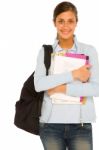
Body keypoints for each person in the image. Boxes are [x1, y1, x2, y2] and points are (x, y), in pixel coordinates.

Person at [34, 1, 99, 150]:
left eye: (70, 21)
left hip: (80, 126)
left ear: (76, 22)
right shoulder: (45, 52)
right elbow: (39, 84)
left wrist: (61, 89)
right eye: (61, 21)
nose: (65, 26)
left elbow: (96, 88)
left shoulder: (89, 51)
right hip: (51, 126)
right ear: (54, 23)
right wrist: (74, 74)